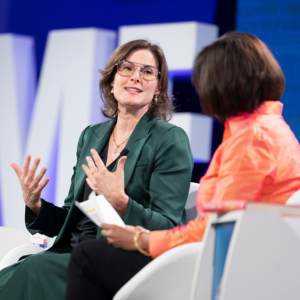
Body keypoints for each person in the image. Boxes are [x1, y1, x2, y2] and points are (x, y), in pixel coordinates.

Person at [65, 31, 300, 300]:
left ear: (225, 85)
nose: (202, 92)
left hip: (229, 269)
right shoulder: (270, 129)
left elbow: (217, 228)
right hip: (245, 261)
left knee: (88, 257)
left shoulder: (252, 140)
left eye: (205, 82)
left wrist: (140, 239)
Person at [0, 40, 194, 299]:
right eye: (127, 68)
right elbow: (71, 217)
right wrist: (35, 205)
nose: (136, 77)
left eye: (147, 72)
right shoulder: (91, 136)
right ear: (112, 82)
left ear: (158, 88)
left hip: (121, 260)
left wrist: (122, 203)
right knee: (14, 272)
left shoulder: (169, 139)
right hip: (70, 252)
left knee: (34, 268)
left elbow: (170, 227)